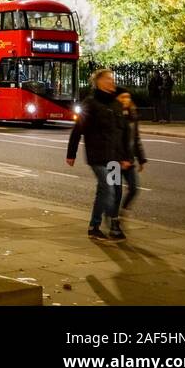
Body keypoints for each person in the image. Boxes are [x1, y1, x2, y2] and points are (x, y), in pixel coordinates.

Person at [66, 68, 130, 241]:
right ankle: (97, 225)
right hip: (97, 155)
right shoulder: (90, 103)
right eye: (108, 79)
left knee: (115, 190)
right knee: (106, 187)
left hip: (114, 156)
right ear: (99, 82)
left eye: (112, 79)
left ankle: (108, 226)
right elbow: (78, 129)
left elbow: (122, 132)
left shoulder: (116, 103)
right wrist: (71, 153)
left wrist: (125, 156)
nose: (112, 82)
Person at [115, 91, 147, 211]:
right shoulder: (113, 115)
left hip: (129, 160)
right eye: (122, 97)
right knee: (113, 192)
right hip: (113, 161)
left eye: (128, 97)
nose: (125, 99)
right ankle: (110, 218)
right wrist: (120, 159)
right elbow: (112, 141)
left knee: (134, 189)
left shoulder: (133, 117)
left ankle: (121, 213)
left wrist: (141, 159)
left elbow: (135, 139)